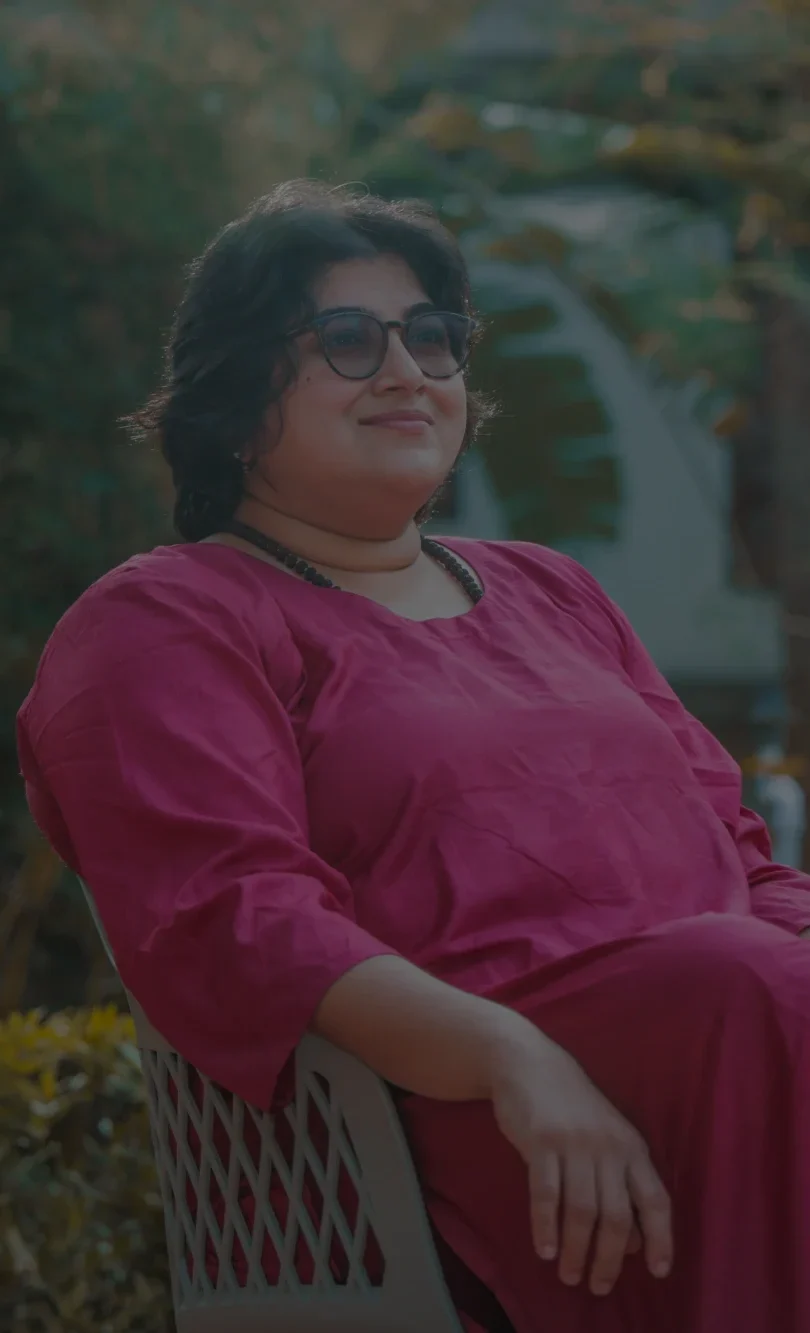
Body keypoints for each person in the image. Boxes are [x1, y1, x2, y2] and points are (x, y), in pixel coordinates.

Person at [16, 179, 810, 1333]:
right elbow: (235, 915)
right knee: (747, 984)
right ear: (236, 399)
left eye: (432, 336)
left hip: (748, 1030)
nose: (409, 370)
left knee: (758, 976)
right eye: (347, 339)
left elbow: (737, 848)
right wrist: (506, 1055)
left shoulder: (554, 588)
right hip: (444, 1119)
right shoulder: (171, 618)